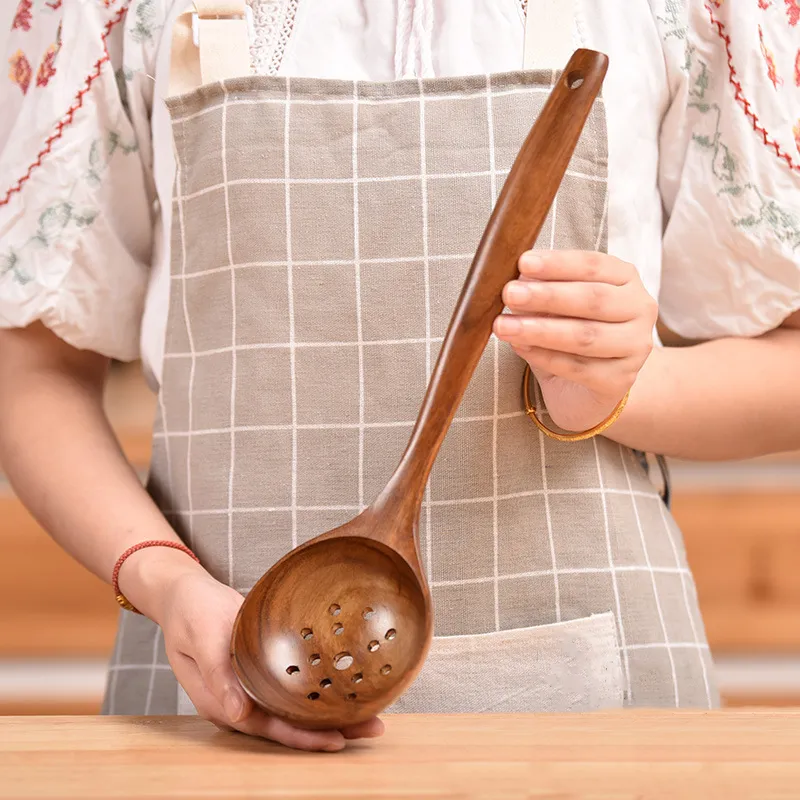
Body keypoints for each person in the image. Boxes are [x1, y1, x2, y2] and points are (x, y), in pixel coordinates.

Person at [0, 0, 798, 752]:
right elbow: (30, 372)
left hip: (600, 716)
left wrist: (633, 388)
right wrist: (164, 581)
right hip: (218, 679)